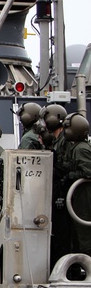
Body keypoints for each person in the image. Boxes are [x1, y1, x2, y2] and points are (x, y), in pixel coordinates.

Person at [45, 104, 72, 265]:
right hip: (59, 191)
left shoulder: (64, 142)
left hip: (65, 192)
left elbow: (66, 167)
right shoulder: (58, 141)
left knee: (63, 235)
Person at [62, 113, 91, 258]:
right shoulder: (76, 147)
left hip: (84, 196)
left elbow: (89, 171)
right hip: (79, 195)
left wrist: (71, 175)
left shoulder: (81, 149)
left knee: (84, 235)